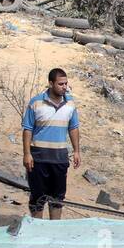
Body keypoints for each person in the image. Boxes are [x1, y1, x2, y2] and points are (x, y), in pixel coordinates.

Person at [21, 68, 81, 219]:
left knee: (57, 198)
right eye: (61, 84)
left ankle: (53, 229)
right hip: (38, 159)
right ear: (50, 83)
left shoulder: (70, 104)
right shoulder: (36, 102)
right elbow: (27, 129)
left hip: (59, 158)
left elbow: (73, 128)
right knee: (38, 197)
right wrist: (27, 154)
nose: (64, 87)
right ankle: (37, 228)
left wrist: (77, 151)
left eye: (66, 83)